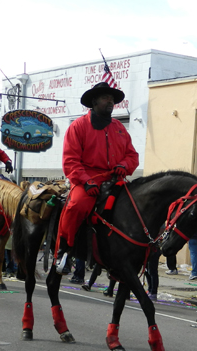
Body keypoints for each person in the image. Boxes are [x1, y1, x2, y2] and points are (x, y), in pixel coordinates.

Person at [55, 81, 139, 269]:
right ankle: (64, 249)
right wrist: (86, 181)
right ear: (94, 102)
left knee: (136, 205)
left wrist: (123, 165)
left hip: (115, 179)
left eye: (112, 99)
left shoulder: (120, 128)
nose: (110, 102)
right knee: (76, 205)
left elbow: (132, 156)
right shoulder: (78, 127)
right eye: (105, 98)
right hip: (87, 179)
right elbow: (70, 161)